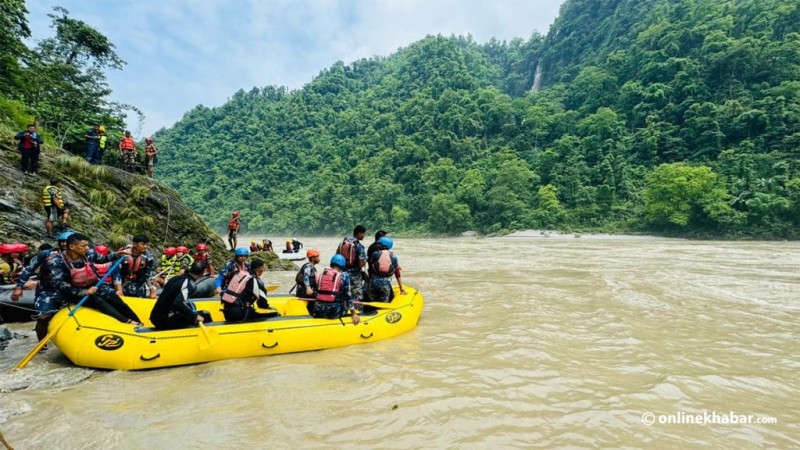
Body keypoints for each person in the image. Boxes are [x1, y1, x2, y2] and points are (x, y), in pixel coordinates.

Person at [47, 233, 142, 325]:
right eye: (84, 246)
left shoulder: (89, 253)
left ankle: (138, 322)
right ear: (72, 247)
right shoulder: (56, 261)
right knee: (98, 301)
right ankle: (126, 321)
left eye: (87, 245)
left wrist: (118, 254)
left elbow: (103, 259)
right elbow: (60, 284)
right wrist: (84, 292)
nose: (87, 248)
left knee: (113, 297)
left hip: (94, 284)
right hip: (73, 290)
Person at [11, 242, 62, 341]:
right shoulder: (46, 255)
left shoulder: (83, 255)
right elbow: (29, 269)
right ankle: (42, 343)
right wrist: (19, 287)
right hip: (47, 289)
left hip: (68, 290)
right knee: (43, 317)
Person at [150, 261, 213, 330]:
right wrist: (195, 316)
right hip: (163, 321)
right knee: (205, 314)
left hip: (154, 317)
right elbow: (177, 303)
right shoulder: (190, 284)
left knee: (191, 306)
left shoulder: (175, 278)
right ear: (202, 273)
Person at [220, 258, 277, 322]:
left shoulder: (240, 275)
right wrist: (269, 308)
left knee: (251, 310)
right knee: (274, 314)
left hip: (226, 312)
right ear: (260, 268)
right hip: (239, 314)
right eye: (263, 268)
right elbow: (262, 303)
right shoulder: (256, 281)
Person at [311, 254, 360, 325]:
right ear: (343, 264)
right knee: (345, 300)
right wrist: (353, 313)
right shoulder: (344, 275)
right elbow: (348, 295)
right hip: (333, 312)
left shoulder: (323, 273)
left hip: (318, 310)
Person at [114, 234, 157, 299]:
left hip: (139, 286)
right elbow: (116, 273)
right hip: (122, 284)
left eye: (147, 245)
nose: (145, 247)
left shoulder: (148, 257)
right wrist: (119, 290)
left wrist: (152, 292)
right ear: (134, 244)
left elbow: (148, 275)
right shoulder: (122, 253)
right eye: (142, 244)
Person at [336, 225, 368, 307]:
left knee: (343, 292)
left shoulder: (343, 242)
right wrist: (365, 260)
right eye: (363, 234)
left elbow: (337, 257)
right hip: (354, 275)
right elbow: (361, 264)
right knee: (357, 294)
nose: (364, 236)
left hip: (341, 273)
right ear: (358, 233)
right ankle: (358, 311)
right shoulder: (359, 246)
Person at [367, 237, 406, 302]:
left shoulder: (375, 254)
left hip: (373, 282)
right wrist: (401, 288)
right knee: (383, 303)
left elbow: (370, 265)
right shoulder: (394, 257)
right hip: (385, 283)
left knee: (371, 301)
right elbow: (397, 273)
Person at [294, 249, 320, 314]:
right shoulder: (308, 266)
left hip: (304, 290)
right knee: (320, 296)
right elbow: (306, 276)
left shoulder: (312, 267)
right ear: (313, 258)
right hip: (304, 291)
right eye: (318, 256)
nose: (319, 258)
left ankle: (311, 311)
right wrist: (308, 288)